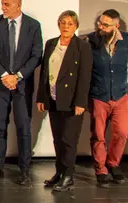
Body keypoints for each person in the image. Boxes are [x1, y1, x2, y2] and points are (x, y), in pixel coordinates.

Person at [0, 0, 43, 186]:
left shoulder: (33, 26)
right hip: (0, 84)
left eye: (6, 4)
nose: (2, 8)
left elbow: (36, 56)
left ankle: (24, 170)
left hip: (22, 85)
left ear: (18, 5)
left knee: (23, 128)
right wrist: (4, 75)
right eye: (2, 4)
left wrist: (17, 76)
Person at [36, 10, 92, 192]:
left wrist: (81, 102)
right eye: (63, 22)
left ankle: (68, 176)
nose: (66, 26)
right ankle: (59, 172)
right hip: (53, 98)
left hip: (72, 101)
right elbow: (44, 73)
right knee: (58, 139)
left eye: (70, 23)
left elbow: (84, 77)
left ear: (76, 26)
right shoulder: (51, 43)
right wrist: (41, 97)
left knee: (69, 140)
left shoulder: (82, 46)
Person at [86, 9, 128, 187]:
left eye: (105, 25)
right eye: (100, 23)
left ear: (116, 26)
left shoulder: (127, 41)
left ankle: (113, 164)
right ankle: (101, 169)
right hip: (99, 96)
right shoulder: (90, 41)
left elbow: (127, 63)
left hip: (121, 96)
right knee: (98, 135)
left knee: (122, 132)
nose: (101, 27)